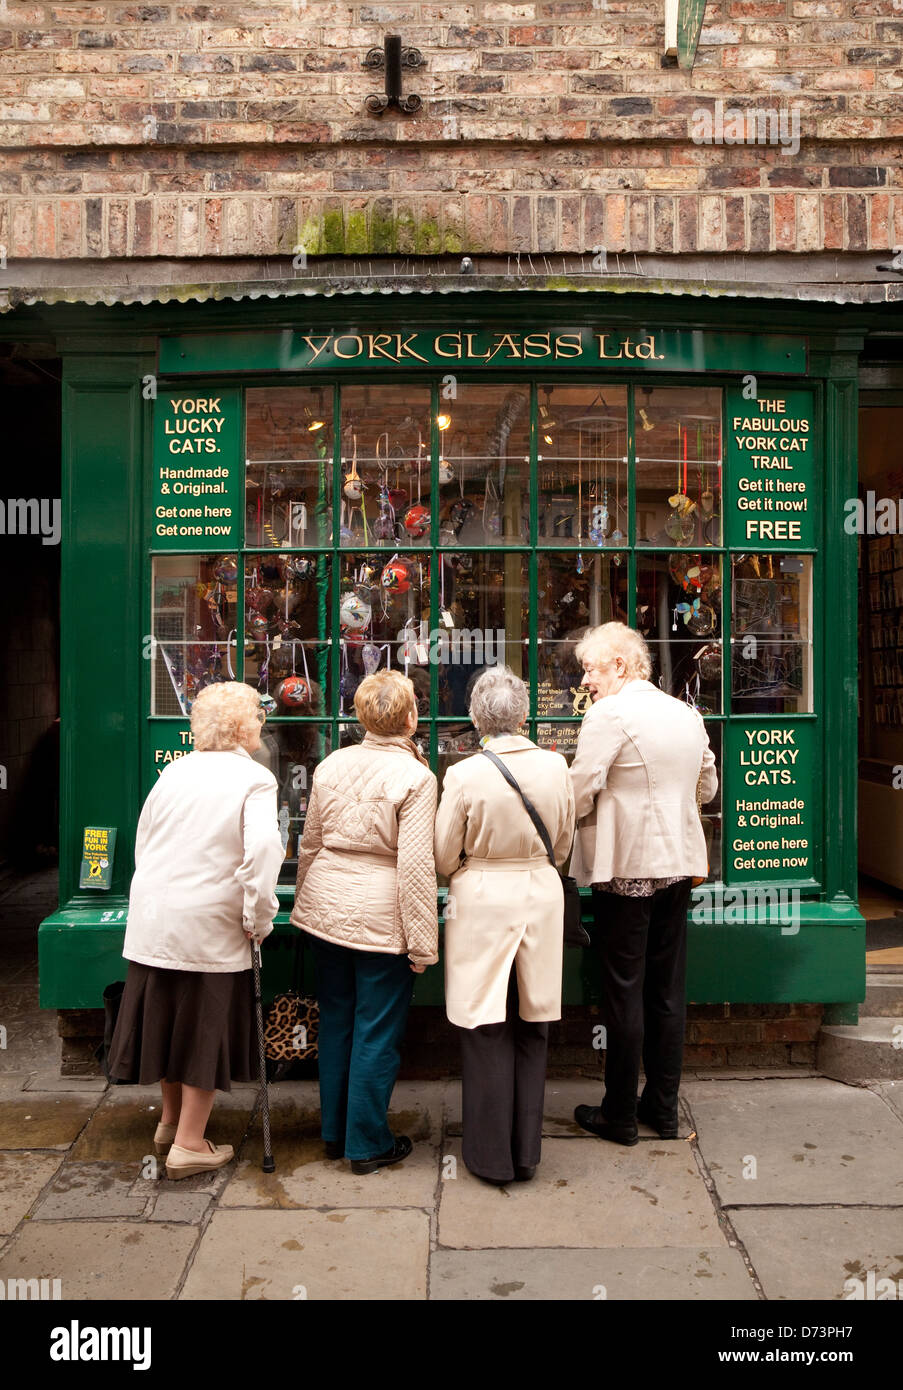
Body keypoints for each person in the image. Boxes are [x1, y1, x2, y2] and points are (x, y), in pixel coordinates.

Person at [108, 681, 284, 1178]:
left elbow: (146, 841)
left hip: (155, 917)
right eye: (258, 715)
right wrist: (259, 915)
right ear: (245, 726)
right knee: (203, 1030)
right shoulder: (253, 779)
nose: (262, 724)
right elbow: (265, 852)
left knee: (165, 1020)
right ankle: (188, 1144)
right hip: (209, 921)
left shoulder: (174, 772)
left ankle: (169, 1123)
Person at [568, 622, 718, 1146]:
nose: (586, 679)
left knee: (624, 993)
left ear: (622, 666)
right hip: (679, 865)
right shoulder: (686, 713)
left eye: (591, 668)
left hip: (628, 867)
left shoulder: (609, 714)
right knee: (667, 989)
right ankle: (664, 1109)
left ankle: (620, 1116)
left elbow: (580, 790)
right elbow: (709, 784)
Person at [291, 669, 438, 1174]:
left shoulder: (331, 763)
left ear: (359, 716)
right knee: (376, 1031)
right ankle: (366, 1143)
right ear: (412, 719)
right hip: (381, 920)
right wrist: (423, 944)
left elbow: (309, 844)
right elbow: (416, 867)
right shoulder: (417, 778)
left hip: (325, 912)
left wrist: (304, 903)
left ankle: (335, 1134)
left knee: (336, 1023)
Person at [434, 665, 575, 1185]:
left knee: (483, 1021)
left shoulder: (465, 773)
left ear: (476, 719)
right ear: (523, 715)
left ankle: (489, 1156)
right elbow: (562, 845)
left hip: (483, 898)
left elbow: (444, 854)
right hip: (540, 891)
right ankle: (526, 1153)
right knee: (534, 1022)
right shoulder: (556, 767)